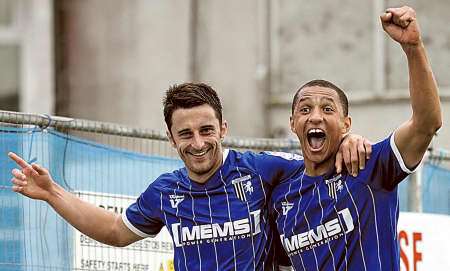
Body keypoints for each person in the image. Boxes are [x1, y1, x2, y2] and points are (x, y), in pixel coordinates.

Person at [9, 84, 369, 270]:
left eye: (206, 130)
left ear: (223, 128)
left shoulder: (262, 169)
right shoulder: (165, 192)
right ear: (170, 138)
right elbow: (116, 232)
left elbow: (317, 160)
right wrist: (53, 192)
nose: (198, 144)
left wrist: (348, 141)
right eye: (185, 134)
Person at [271, 6, 442, 270]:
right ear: (293, 124)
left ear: (346, 124)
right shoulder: (282, 196)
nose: (315, 117)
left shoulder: (370, 166)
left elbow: (427, 123)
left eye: (327, 109)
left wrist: (413, 48)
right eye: (305, 109)